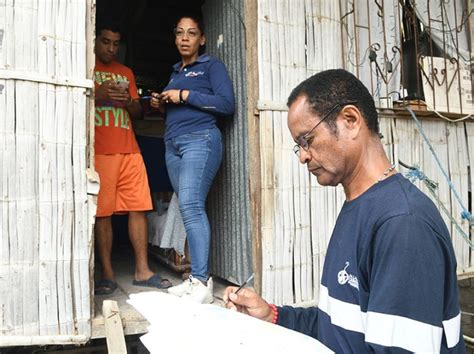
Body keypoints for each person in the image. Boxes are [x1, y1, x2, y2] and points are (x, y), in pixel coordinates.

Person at [223, 69, 465, 353]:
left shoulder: (402, 224)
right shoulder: (359, 206)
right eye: (298, 145)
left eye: (307, 140)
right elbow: (337, 328)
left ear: (350, 121)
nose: (303, 155)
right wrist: (272, 315)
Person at [150, 14, 235, 304]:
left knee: (191, 206)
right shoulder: (175, 72)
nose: (185, 38)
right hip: (172, 145)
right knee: (189, 209)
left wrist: (184, 94)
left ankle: (201, 281)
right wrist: (162, 104)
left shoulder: (211, 67)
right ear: (175, 39)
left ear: (202, 39)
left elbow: (226, 104)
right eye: (180, 33)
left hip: (200, 140)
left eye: (192, 33)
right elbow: (177, 106)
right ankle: (196, 278)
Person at [93, 22, 171, 295]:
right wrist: (97, 93)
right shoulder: (85, 69)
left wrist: (128, 100)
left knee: (139, 207)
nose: (111, 48)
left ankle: (142, 270)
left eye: (116, 43)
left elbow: (137, 111)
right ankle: (108, 274)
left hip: (130, 149)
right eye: (106, 42)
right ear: (95, 40)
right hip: (99, 150)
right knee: (102, 213)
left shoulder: (125, 72)